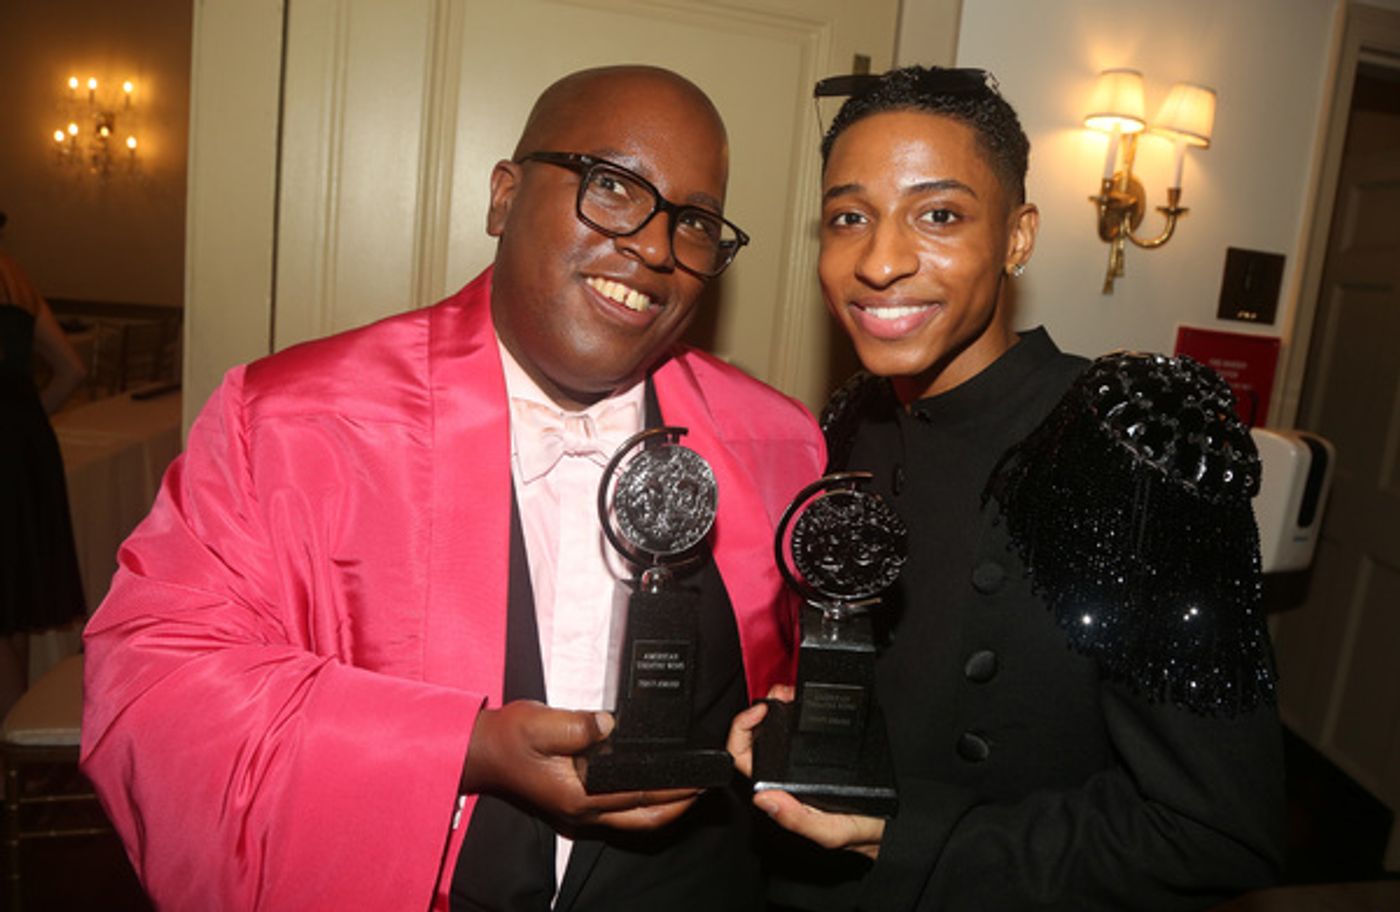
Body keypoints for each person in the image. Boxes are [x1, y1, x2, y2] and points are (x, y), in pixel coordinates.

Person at [80, 66, 825, 911]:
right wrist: (460, 747)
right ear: (504, 197)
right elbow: (153, 695)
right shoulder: (288, 423)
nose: (656, 248)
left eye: (692, 221)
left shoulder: (779, 444)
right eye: (612, 186)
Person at [729, 66, 1285, 910]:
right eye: (850, 217)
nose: (880, 261)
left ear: (1017, 236)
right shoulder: (846, 423)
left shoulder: (1126, 445)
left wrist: (900, 831)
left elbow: (1216, 831)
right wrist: (815, 719)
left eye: (940, 215)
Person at [0, 210, 88, 714]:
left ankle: (8, 752)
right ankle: (17, 736)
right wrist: (26, 426)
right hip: (25, 446)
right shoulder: (16, 276)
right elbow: (72, 370)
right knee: (13, 600)